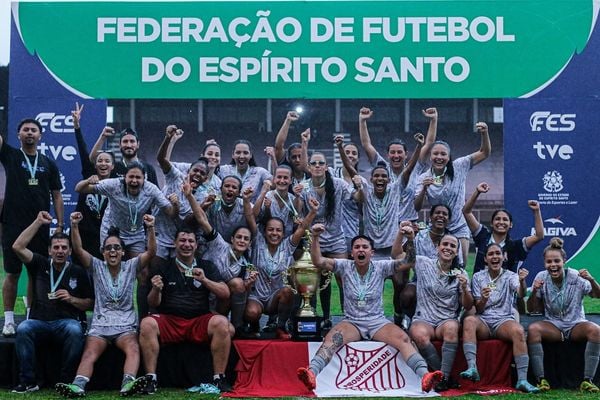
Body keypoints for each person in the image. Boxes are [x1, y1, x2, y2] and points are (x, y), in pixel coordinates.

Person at [297, 223, 443, 393]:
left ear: (371, 253)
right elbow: (318, 261)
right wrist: (315, 237)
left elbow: (408, 262)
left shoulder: (381, 266)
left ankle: (425, 376)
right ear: (351, 253)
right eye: (357, 247)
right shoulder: (344, 266)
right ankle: (311, 373)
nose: (361, 250)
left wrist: (410, 239)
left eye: (365, 247)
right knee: (332, 339)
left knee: (403, 339)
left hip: (377, 322)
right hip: (352, 322)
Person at [55, 213, 156, 397]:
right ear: (102, 251)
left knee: (133, 349)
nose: (112, 251)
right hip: (100, 324)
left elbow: (151, 253)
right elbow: (78, 250)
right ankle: (78, 386)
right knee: (89, 354)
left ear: (123, 252)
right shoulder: (96, 266)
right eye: (108, 248)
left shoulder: (131, 266)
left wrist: (150, 229)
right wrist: (74, 225)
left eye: (117, 248)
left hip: (125, 324)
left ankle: (128, 384)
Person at [138, 228, 234, 394]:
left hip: (198, 320)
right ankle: (151, 379)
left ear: (196, 245)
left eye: (191, 241)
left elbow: (225, 293)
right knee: (147, 324)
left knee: (222, 323)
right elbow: (152, 302)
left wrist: (205, 280)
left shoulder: (206, 265)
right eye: (182, 240)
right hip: (171, 320)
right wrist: (156, 289)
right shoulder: (163, 267)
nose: (186, 244)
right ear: (175, 243)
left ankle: (219, 378)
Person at [11, 211, 93, 393]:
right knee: (23, 328)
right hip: (39, 321)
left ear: (70, 251)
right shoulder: (39, 263)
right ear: (49, 251)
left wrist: (72, 299)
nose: (60, 251)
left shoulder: (78, 271)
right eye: (56, 248)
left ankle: (65, 380)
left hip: (66, 322)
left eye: (64, 248)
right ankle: (28, 381)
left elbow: (90, 303)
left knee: (74, 330)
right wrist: (38, 222)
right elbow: (17, 246)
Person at [1, 118, 65, 337]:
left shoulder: (48, 163)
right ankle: (9, 320)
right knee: (12, 272)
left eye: (33, 130)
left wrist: (60, 225)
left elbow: (57, 194)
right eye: (25, 130)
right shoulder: (11, 156)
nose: (29, 133)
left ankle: (30, 316)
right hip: (12, 224)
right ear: (18, 135)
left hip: (40, 227)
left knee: (35, 272)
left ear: (40, 136)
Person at [460, 243, 539, 393]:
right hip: (484, 320)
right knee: (469, 320)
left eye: (498, 253)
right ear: (485, 259)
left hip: (504, 320)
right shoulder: (478, 277)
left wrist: (522, 281)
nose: (495, 257)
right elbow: (478, 308)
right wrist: (483, 299)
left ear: (504, 257)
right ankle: (472, 367)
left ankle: (522, 379)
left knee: (519, 331)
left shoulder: (511, 276)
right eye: (491, 254)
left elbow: (521, 294)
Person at [527, 238, 600, 393]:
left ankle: (587, 380)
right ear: (544, 263)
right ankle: (541, 379)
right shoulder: (541, 277)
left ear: (564, 261)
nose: (553, 265)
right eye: (549, 262)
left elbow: (597, 295)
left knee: (596, 330)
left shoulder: (575, 276)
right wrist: (534, 291)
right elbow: (531, 308)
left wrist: (591, 280)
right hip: (553, 325)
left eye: (556, 261)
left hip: (576, 324)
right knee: (533, 329)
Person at [404, 233, 473, 391]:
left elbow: (468, 305)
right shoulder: (423, 263)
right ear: (437, 247)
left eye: (452, 246)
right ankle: (445, 378)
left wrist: (464, 288)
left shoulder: (460, 274)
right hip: (424, 317)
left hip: (447, 319)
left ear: (456, 252)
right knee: (419, 335)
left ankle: (444, 378)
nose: (448, 248)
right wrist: (409, 238)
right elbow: (397, 255)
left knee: (451, 329)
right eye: (445, 244)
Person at [414, 122, 491, 265]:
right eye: (435, 154)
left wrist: (484, 132)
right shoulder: (423, 178)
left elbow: (484, 152)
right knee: (434, 267)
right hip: (437, 228)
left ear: (449, 157)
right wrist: (424, 189)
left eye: (443, 154)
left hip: (459, 226)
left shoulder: (459, 166)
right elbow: (417, 206)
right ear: (430, 157)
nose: (439, 157)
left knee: (459, 267)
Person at [244, 199, 319, 339]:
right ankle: (254, 325)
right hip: (257, 296)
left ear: (283, 233)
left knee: (288, 291)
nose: (274, 233)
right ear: (265, 232)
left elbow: (302, 228)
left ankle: (280, 326)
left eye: (278, 230)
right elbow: (250, 218)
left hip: (276, 297)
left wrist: (313, 212)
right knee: (252, 313)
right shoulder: (257, 242)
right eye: (270, 229)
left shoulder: (287, 246)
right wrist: (246, 200)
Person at [297, 152, 352, 329]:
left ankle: (348, 318)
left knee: (342, 278)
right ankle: (313, 318)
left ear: (326, 167)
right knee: (314, 280)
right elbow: (298, 216)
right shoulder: (303, 187)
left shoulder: (338, 184)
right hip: (314, 239)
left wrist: (359, 186)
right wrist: (297, 197)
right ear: (309, 167)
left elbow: (356, 198)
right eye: (314, 163)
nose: (318, 165)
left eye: (321, 163)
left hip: (336, 239)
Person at [359, 107, 438, 222]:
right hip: (388, 224)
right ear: (387, 155)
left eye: (399, 152)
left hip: (409, 222)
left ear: (406, 154)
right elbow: (366, 145)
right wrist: (362, 120)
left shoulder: (415, 167)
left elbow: (429, 143)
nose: (396, 156)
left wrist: (433, 120)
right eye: (393, 152)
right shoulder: (382, 169)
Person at [464, 182, 544, 274]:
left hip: (507, 288)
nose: (501, 222)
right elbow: (466, 212)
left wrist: (536, 211)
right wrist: (477, 192)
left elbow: (539, 236)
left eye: (505, 220)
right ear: (491, 223)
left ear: (511, 225)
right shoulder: (482, 236)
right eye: (497, 219)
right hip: (481, 287)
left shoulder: (516, 246)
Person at [71, 103, 115, 261]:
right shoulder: (89, 176)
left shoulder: (115, 185)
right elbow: (83, 151)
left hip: (104, 237)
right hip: (83, 235)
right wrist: (77, 126)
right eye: (100, 161)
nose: (103, 164)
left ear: (112, 166)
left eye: (107, 161)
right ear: (95, 165)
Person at [90, 127, 158, 186]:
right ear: (119, 145)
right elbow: (93, 160)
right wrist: (102, 137)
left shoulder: (148, 169)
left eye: (132, 141)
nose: (129, 145)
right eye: (125, 141)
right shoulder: (113, 168)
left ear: (138, 144)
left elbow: (157, 195)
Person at [273, 111, 311, 186]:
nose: (297, 160)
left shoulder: (313, 174)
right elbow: (278, 146)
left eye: (300, 156)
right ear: (288, 159)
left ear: (307, 157)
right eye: (294, 157)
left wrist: (304, 142)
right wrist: (288, 121)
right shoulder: (284, 176)